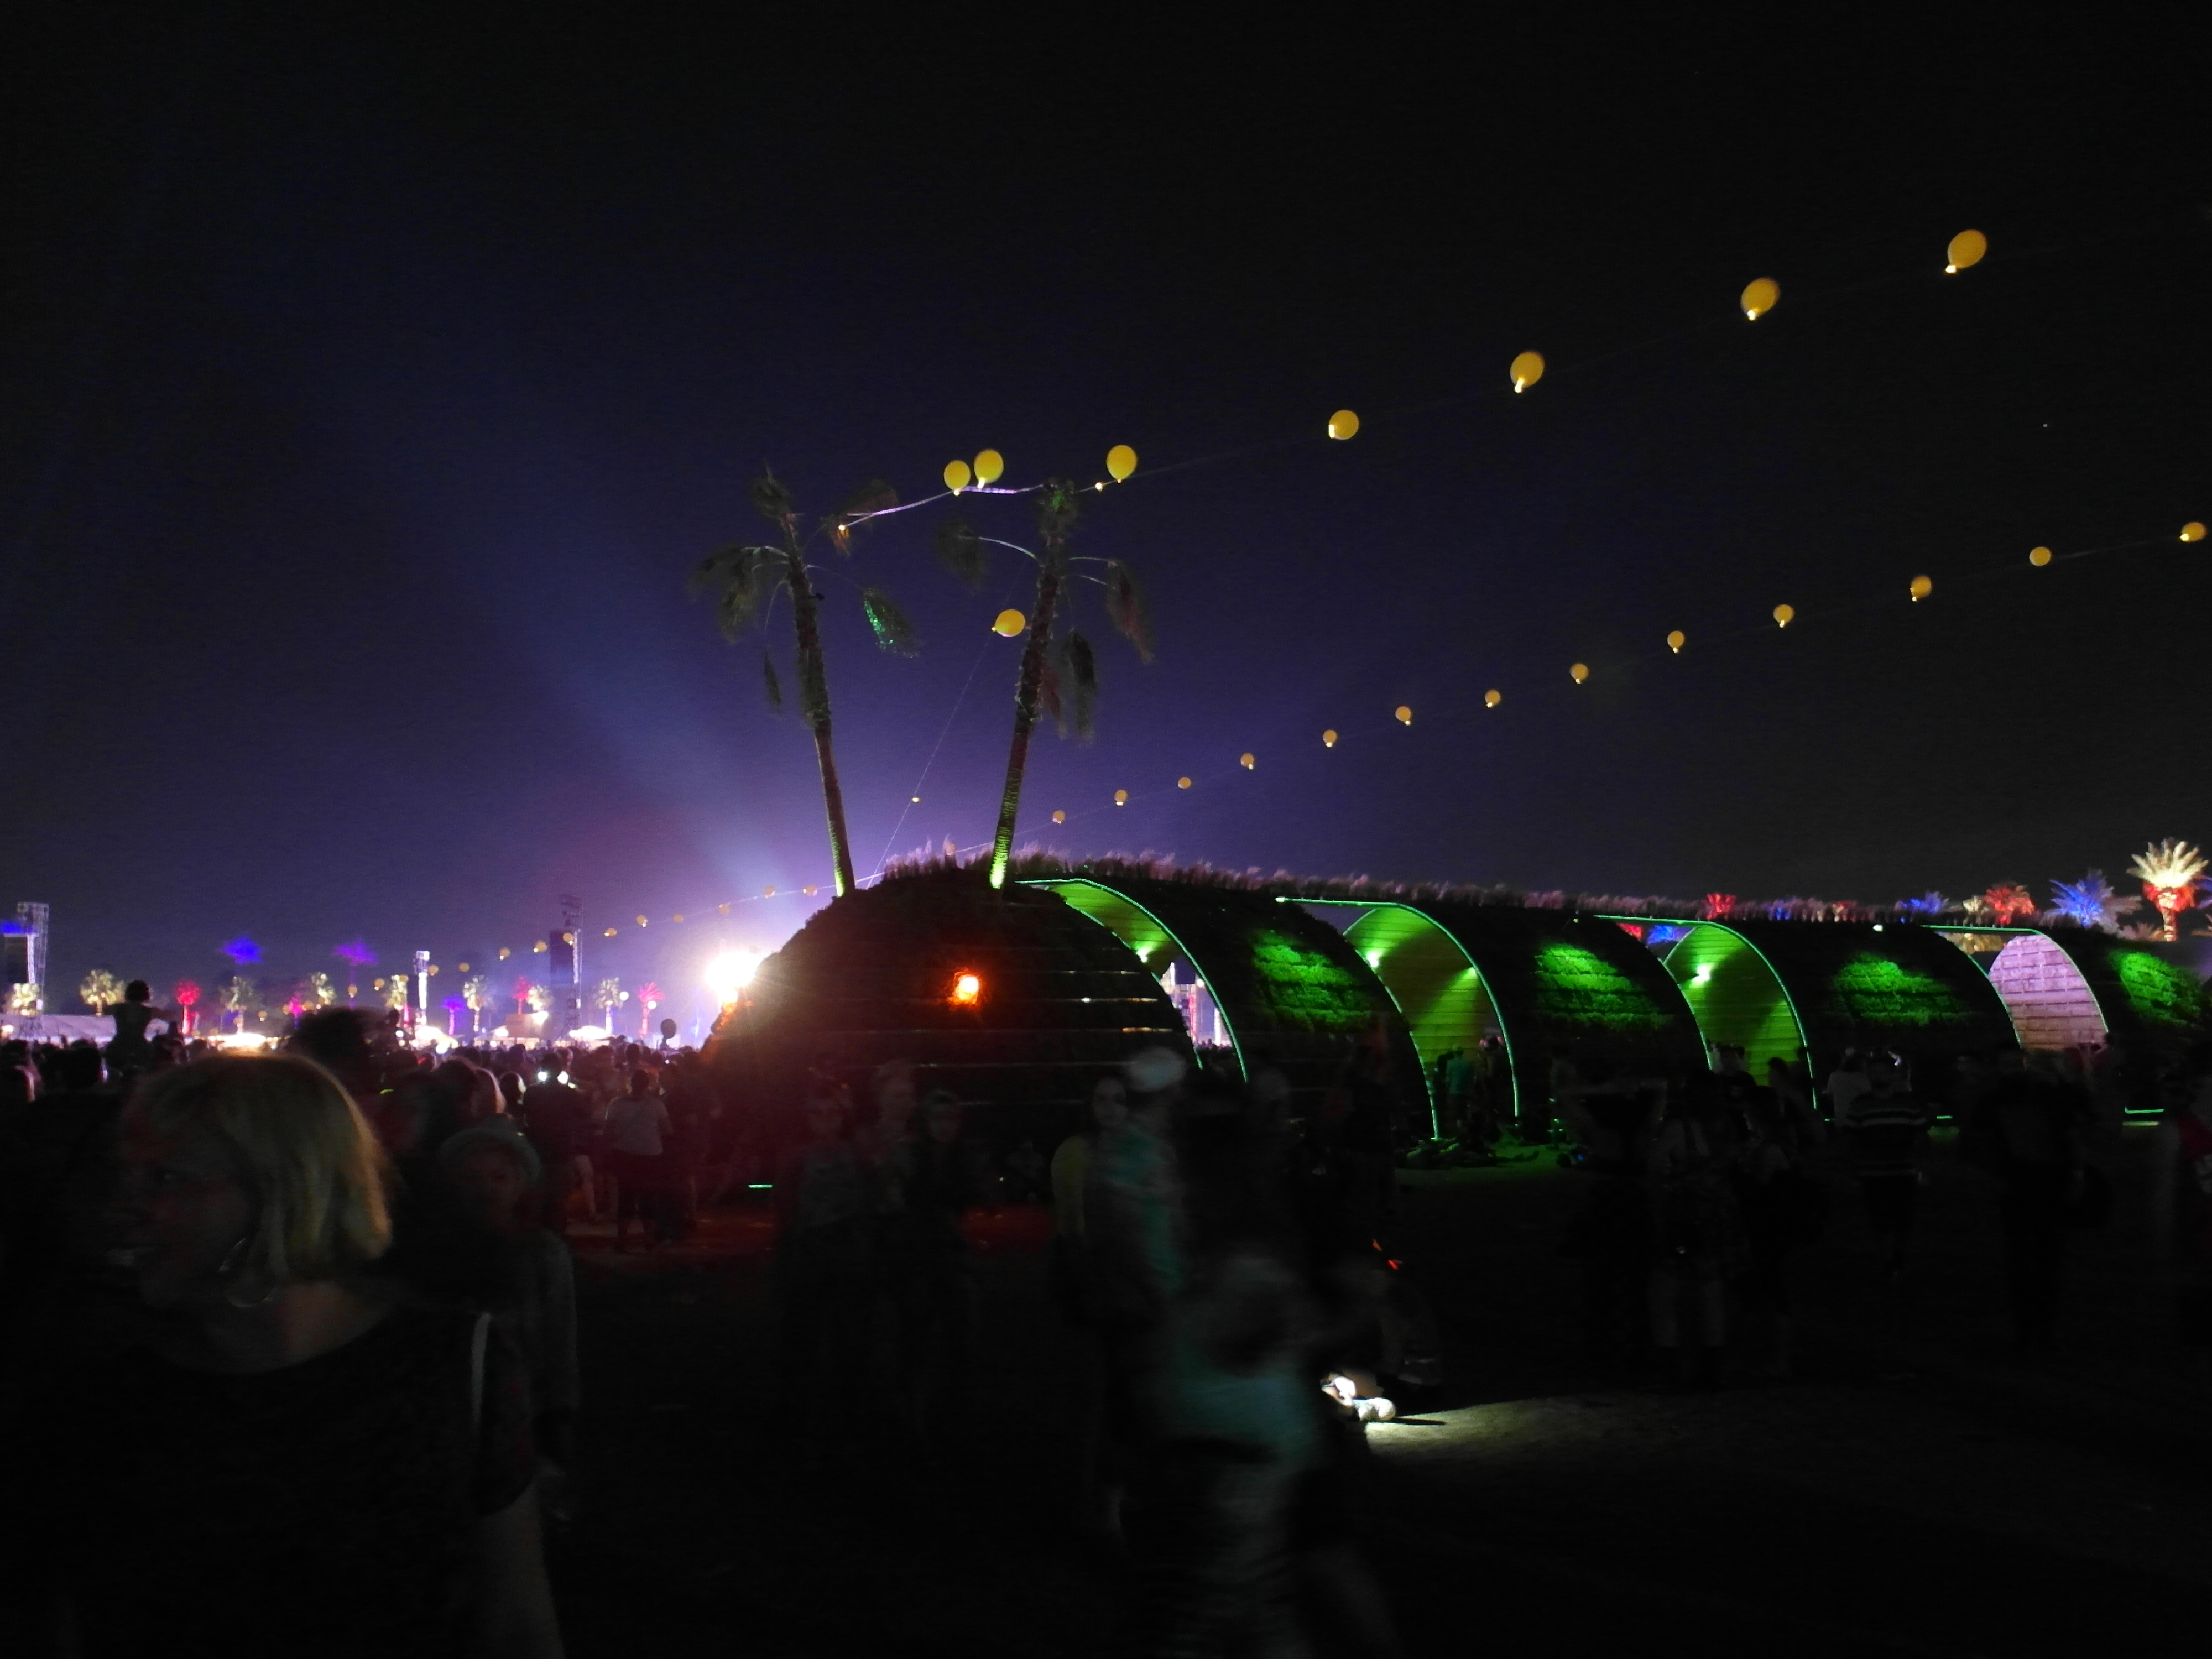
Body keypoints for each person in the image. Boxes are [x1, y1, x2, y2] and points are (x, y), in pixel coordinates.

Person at [15, 1053, 562, 1657]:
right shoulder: (107, 1395)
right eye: (129, 1176)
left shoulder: (457, 1368)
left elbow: (516, 1620)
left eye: (167, 1179)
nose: (125, 1207)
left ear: (282, 1189)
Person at [440, 1122, 581, 1484]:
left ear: (519, 1185)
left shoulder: (542, 1253)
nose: (485, 1189)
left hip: (525, 1408)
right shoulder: (440, 1255)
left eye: (498, 1177)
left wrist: (559, 1414)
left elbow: (560, 1336)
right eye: (472, 1178)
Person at [1963, 1050, 2093, 1354]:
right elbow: (2073, 1136)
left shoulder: (1992, 1100)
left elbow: (1977, 1144)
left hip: (2016, 1186)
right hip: (2047, 1184)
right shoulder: (2049, 1096)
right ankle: (2045, 1332)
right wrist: (2076, 1174)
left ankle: (2026, 1332)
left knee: (2021, 1260)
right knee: (2048, 1260)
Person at [1646, 1081, 1745, 1388]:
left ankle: (1671, 1367)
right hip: (1720, 1215)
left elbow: (1652, 1166)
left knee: (1664, 1291)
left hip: (1685, 1215)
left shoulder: (1681, 1128)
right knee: (1712, 1292)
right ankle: (1711, 1368)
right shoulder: (1726, 1128)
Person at [2150, 1045, 2212, 1384]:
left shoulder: (2177, 1129)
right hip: (2198, 1248)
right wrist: (2165, 1251)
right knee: (2201, 1332)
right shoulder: (2177, 1131)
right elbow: (2163, 1195)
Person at [1840, 1060, 1929, 1282]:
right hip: (1874, 1174)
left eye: (1883, 1073)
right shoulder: (1861, 1105)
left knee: (1902, 1219)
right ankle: (1891, 1261)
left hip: (1901, 1172)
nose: (1879, 1077)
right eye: (1875, 1072)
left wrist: (1921, 1166)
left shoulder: (1907, 1104)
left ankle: (1895, 1260)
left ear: (1893, 1076)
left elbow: (1920, 1137)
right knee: (1881, 1220)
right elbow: (1851, 1140)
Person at [603, 1067, 672, 1251]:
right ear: (648, 1085)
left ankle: (622, 1239)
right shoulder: (656, 1105)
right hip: (651, 1155)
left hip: (625, 1154)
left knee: (626, 1196)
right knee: (648, 1197)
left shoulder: (616, 1104)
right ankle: (649, 1239)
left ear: (630, 1084)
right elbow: (667, 1130)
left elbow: (608, 1132)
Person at [104, 980, 160, 1078]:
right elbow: (172, 1015)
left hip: (119, 1045)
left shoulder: (118, 1008)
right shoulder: (150, 1011)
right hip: (140, 1047)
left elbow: (105, 1010)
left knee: (114, 1076)